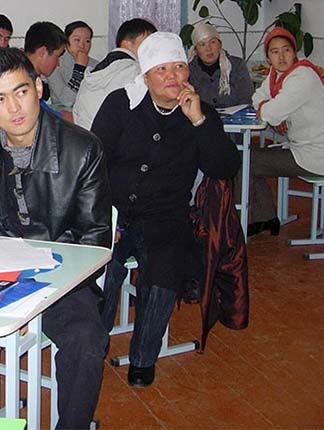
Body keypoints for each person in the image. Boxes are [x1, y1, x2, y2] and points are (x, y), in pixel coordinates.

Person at [0, 48, 111, 430]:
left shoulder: (82, 149)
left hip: (63, 277)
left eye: (21, 92)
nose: (14, 108)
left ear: (38, 87)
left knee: (87, 341)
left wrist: (33, 305)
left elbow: (93, 240)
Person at [91, 32, 240, 388]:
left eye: (178, 67)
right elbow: (93, 161)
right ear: (145, 76)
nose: (173, 76)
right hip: (113, 211)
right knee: (101, 271)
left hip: (166, 215)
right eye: (162, 70)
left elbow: (224, 166)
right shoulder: (121, 104)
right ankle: (92, 346)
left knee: (164, 271)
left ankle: (144, 357)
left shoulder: (198, 111)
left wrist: (199, 122)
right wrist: (100, 217)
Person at [245, 27, 324, 236]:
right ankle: (263, 217)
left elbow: (270, 113)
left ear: (294, 52)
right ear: (268, 57)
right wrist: (271, 110)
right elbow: (257, 98)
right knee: (247, 158)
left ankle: (253, 219)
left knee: (244, 160)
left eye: (286, 50)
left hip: (317, 155)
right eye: (274, 52)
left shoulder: (302, 76)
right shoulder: (275, 74)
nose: (281, 57)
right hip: (301, 147)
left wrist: (272, 111)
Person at [73, 18, 157, 129]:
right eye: (148, 43)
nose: (153, 49)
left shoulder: (98, 69)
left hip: (85, 139)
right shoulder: (135, 72)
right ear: (126, 43)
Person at [186, 22, 253, 108]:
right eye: (202, 44)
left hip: (235, 119)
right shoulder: (188, 71)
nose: (208, 48)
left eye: (212, 42)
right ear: (195, 50)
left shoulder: (237, 65)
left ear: (220, 44)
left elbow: (247, 99)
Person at [47, 21, 98, 112]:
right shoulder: (55, 63)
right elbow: (67, 100)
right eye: (77, 40)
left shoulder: (96, 65)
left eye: (87, 41)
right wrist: (80, 68)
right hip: (61, 115)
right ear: (66, 42)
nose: (82, 45)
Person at [23, 21, 67, 103]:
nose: (58, 64)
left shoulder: (31, 77)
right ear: (42, 52)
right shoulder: (21, 82)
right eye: (57, 56)